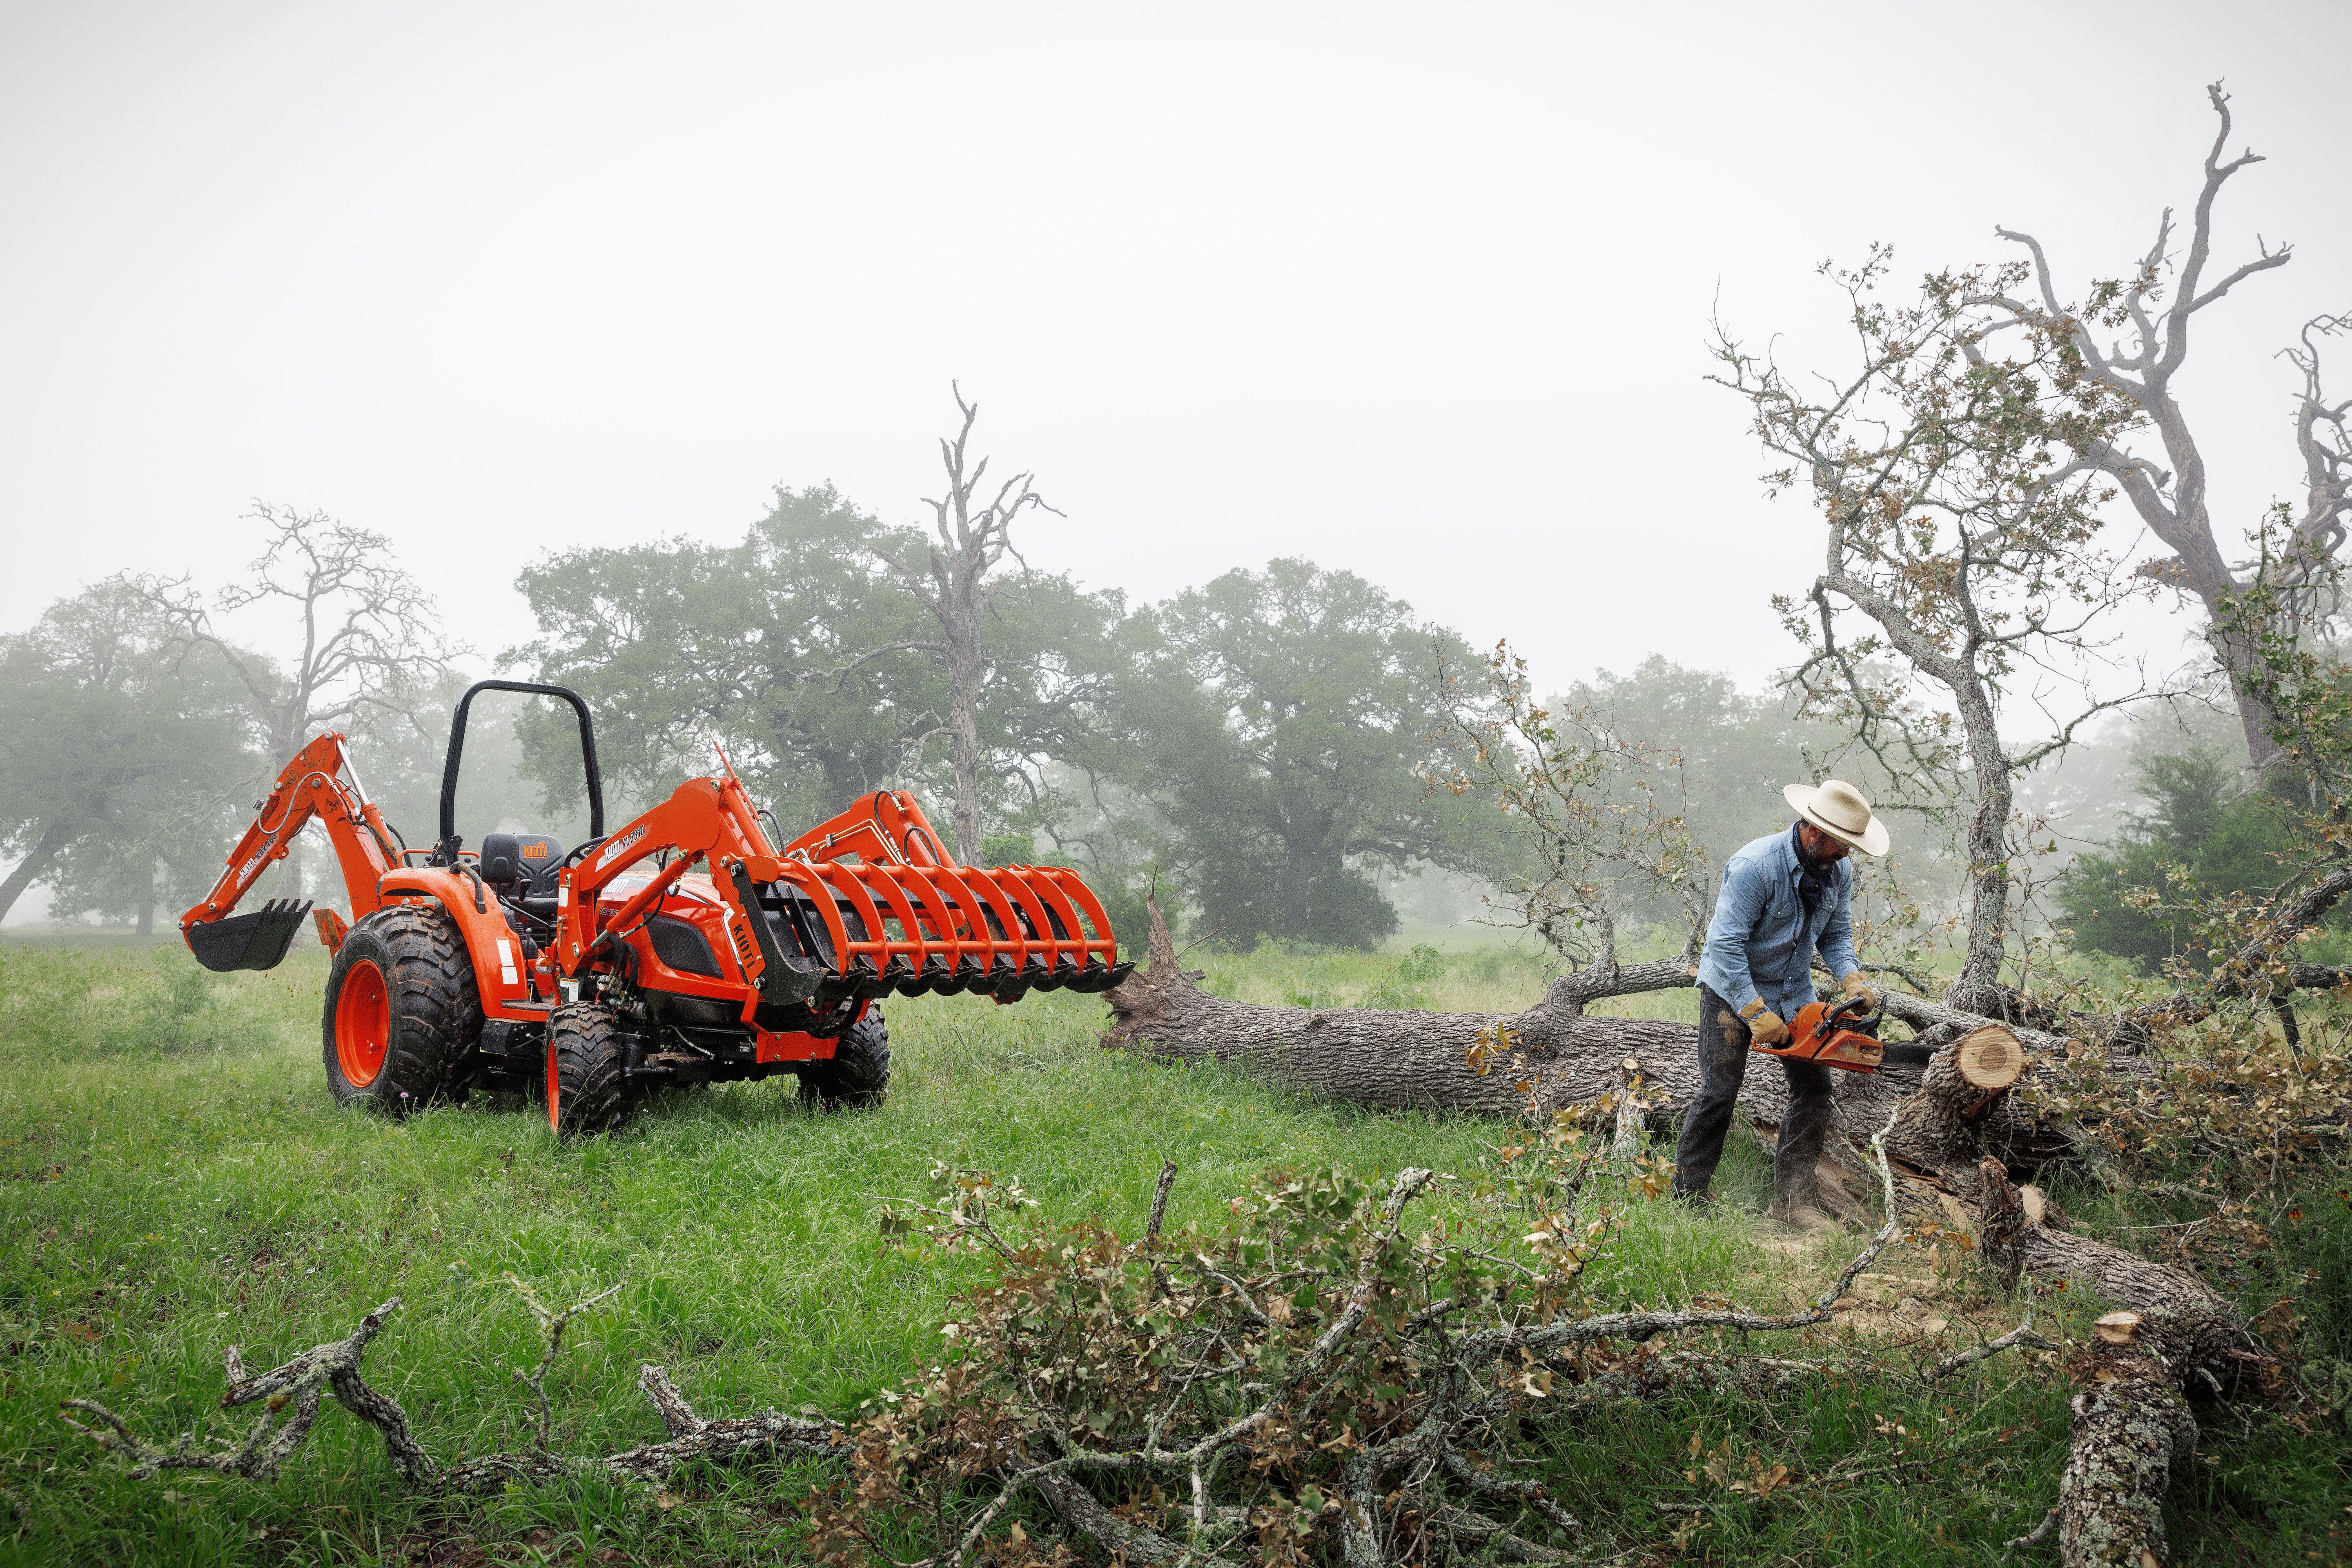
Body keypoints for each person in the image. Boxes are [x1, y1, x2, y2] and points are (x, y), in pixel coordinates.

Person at [1675, 778, 1890, 1222]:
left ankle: (1793, 1203)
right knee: (1720, 1090)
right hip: (1732, 988)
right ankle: (1687, 1198)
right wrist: (1754, 1012)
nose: (1848, 854)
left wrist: (1851, 979)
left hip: (1794, 993)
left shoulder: (1839, 871)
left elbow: (1836, 934)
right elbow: (1726, 945)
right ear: (1814, 831)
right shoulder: (1756, 866)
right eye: (1842, 844)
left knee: (1815, 1090)